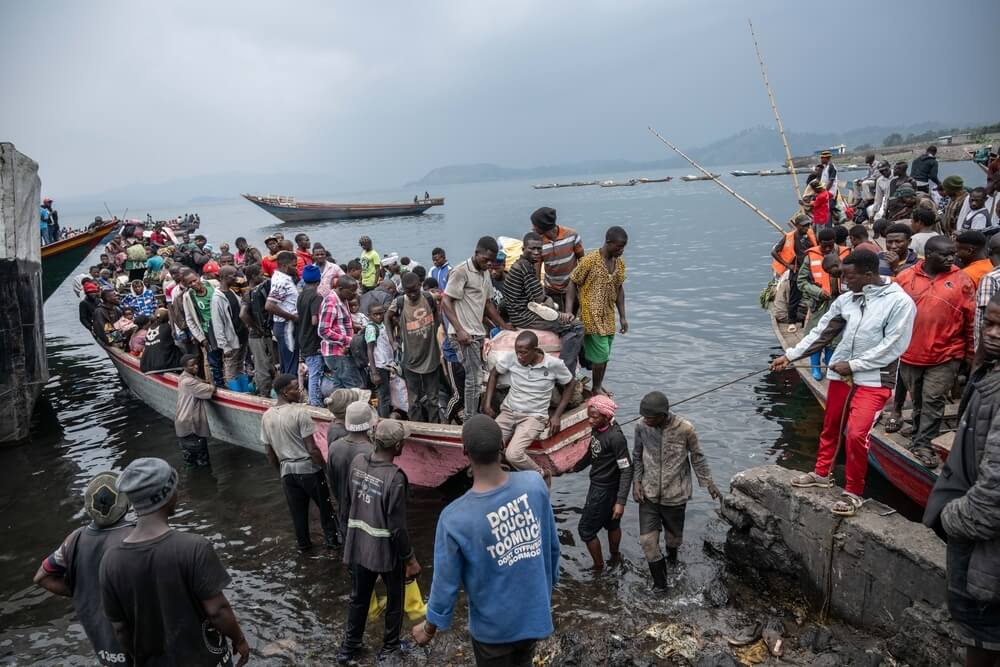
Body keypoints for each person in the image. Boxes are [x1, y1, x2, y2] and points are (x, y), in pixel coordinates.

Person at [771, 249, 916, 516]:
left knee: (858, 434)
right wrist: (790, 356)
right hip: (840, 375)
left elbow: (893, 346)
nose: (845, 282)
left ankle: (853, 492)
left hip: (874, 379)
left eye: (849, 276)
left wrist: (854, 365)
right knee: (831, 426)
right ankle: (822, 474)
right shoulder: (847, 300)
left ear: (869, 274)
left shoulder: (900, 303)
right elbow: (822, 333)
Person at [412, 415, 560, 667]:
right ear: (503, 446)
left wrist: (429, 628)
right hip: (534, 615)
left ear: (464, 452)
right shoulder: (534, 485)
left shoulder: (454, 517)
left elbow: (445, 583)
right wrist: (546, 587)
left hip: (493, 631)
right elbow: (551, 547)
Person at [99, 457, 249, 666]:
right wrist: (239, 639)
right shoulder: (194, 547)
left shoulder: (110, 562)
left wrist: (137, 657)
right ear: (167, 495)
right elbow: (218, 611)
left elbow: (120, 628)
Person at [923, 291, 1000, 667]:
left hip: (985, 552)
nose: (993, 333)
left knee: (983, 641)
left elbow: (992, 497)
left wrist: (949, 517)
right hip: (979, 544)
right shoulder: (989, 375)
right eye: (989, 323)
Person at [338, 419, 418, 663]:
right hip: (385, 550)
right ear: (398, 446)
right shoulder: (395, 478)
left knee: (359, 597)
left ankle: (348, 649)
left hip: (358, 543)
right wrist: (410, 559)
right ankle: (390, 647)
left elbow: (348, 502)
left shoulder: (358, 462)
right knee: (395, 598)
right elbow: (397, 527)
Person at [34, 472, 133, 667]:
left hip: (102, 641)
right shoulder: (135, 536)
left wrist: (81, 591)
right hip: (136, 638)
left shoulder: (74, 540)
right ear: (126, 502)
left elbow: (42, 577)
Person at [895, 236, 975, 467]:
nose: (951, 258)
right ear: (928, 255)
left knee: (933, 399)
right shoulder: (904, 278)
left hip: (946, 354)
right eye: (945, 255)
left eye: (953, 254)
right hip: (910, 353)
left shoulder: (962, 281)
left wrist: (969, 354)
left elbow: (970, 321)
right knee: (918, 399)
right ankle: (919, 432)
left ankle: (923, 444)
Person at [632, 390, 720, 589]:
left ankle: (672, 561)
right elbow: (637, 455)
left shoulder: (685, 429)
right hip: (649, 494)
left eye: (650, 418)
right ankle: (661, 588)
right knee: (648, 542)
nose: (646, 420)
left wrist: (708, 483)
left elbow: (698, 457)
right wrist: (636, 482)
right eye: (644, 416)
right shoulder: (641, 426)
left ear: (663, 415)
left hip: (675, 495)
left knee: (673, 540)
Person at [261, 373, 341, 550]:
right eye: (295, 388)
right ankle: (333, 545)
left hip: (287, 472)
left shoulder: (267, 416)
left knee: (298, 515)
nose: (299, 391)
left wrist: (281, 471)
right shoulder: (300, 412)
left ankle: (304, 548)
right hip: (309, 469)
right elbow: (312, 448)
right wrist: (326, 471)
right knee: (326, 510)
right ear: (284, 392)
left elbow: (269, 452)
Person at [483, 330, 574, 481]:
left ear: (535, 350)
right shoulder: (512, 358)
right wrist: (487, 404)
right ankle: (502, 476)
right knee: (488, 445)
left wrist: (557, 415)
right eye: (517, 352)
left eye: (524, 353)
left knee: (513, 454)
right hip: (509, 411)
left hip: (533, 417)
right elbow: (494, 374)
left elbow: (570, 384)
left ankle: (541, 474)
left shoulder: (553, 364)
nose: (519, 356)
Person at [441, 236, 511, 416]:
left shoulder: (485, 273)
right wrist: (459, 330)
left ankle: (476, 412)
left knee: (480, 376)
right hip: (464, 334)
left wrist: (504, 326)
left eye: (491, 261)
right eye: (485, 259)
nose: (488, 263)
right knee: (474, 378)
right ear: (476, 253)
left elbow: (487, 305)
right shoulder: (461, 271)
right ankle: (470, 420)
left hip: (478, 332)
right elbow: (446, 302)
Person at [503, 231, 585, 375]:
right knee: (577, 326)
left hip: (520, 313)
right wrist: (559, 313)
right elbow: (540, 298)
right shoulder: (525, 269)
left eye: (539, 249)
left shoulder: (519, 266)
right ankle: (566, 371)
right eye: (532, 249)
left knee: (566, 322)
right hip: (524, 316)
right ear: (523, 249)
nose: (536, 252)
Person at [566, 226, 629, 396]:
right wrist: (568, 311)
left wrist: (623, 316)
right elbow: (572, 282)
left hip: (608, 316)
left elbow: (619, 289)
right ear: (608, 243)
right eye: (619, 247)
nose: (621, 250)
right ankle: (595, 388)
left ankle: (598, 384)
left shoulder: (619, 263)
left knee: (605, 355)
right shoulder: (590, 260)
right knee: (601, 354)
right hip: (590, 315)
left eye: (624, 247)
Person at [572, 395, 632, 570]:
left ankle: (598, 568)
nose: (590, 420)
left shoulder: (616, 438)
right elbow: (593, 452)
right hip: (601, 486)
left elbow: (627, 469)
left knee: (585, 530)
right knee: (611, 523)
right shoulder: (598, 428)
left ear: (606, 416)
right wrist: (575, 468)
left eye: (594, 417)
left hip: (603, 490)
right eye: (589, 416)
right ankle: (615, 558)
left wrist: (620, 502)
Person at [386, 272, 441, 422]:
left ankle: (434, 427)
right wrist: (393, 341)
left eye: (414, 291)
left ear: (420, 286)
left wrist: (434, 330)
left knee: (433, 398)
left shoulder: (428, 298)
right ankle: (417, 427)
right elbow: (387, 317)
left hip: (431, 356)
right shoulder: (399, 302)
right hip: (410, 359)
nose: (411, 295)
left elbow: (437, 313)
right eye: (407, 291)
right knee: (413, 399)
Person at [327, 400, 376, 531]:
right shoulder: (371, 452)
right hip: (366, 517)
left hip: (344, 511)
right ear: (370, 424)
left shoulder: (334, 447)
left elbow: (332, 482)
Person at [530, 207, 585, 311]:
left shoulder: (572, 236)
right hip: (551, 291)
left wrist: (583, 287)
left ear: (544, 226)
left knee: (572, 318)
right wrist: (540, 297)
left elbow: (582, 261)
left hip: (573, 288)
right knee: (558, 322)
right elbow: (536, 273)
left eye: (535, 225)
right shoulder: (539, 243)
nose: (532, 228)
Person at [770, 215, 817, 329]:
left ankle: (809, 321)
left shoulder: (810, 235)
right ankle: (791, 322)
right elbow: (774, 252)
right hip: (796, 271)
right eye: (804, 226)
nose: (807, 227)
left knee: (812, 297)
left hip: (810, 271)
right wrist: (787, 265)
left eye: (808, 225)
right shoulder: (789, 237)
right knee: (794, 298)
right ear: (797, 226)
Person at [319, 274, 364, 389]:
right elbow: (323, 331)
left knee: (340, 387)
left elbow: (339, 323)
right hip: (337, 353)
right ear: (340, 289)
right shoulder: (331, 302)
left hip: (341, 352)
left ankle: (339, 407)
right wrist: (349, 340)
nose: (354, 294)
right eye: (351, 291)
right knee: (354, 387)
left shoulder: (343, 299)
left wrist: (354, 326)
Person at [182, 268, 224, 386]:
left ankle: (233, 382)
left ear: (199, 276)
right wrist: (201, 338)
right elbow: (189, 319)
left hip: (222, 326)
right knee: (214, 361)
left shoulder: (213, 285)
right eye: (190, 283)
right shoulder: (188, 296)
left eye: (195, 280)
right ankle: (220, 385)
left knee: (228, 356)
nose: (193, 284)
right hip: (207, 331)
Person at [174, 353, 216, 466]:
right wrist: (212, 382)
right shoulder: (189, 382)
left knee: (191, 462)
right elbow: (210, 389)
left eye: (196, 364)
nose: (196, 366)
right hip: (191, 426)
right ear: (185, 367)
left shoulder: (183, 377)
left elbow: (199, 381)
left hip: (183, 425)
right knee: (202, 461)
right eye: (192, 365)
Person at [240, 264, 275, 397]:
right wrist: (256, 328)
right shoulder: (250, 294)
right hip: (257, 336)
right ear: (254, 277)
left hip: (262, 334)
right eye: (261, 274)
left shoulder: (256, 291)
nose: (263, 277)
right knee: (262, 368)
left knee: (268, 365)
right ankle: (264, 394)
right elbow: (243, 314)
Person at [211, 266, 246, 390]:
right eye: (233, 275)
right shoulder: (217, 298)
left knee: (240, 365)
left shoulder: (231, 292)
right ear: (224, 277)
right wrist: (224, 345)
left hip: (241, 335)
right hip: (231, 339)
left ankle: (244, 389)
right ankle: (235, 392)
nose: (235, 278)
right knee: (230, 367)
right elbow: (217, 323)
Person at [265, 250, 300, 376]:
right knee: (291, 364)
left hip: (286, 326)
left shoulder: (284, 278)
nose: (296, 268)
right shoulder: (281, 282)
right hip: (286, 326)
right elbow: (269, 305)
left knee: (287, 362)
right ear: (285, 266)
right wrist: (293, 317)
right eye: (294, 265)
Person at [296, 264, 326, 406]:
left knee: (312, 371)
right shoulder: (316, 297)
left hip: (302, 336)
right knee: (315, 373)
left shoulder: (301, 295)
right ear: (318, 281)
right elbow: (315, 320)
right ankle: (315, 403)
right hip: (313, 340)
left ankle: (314, 399)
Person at [365, 304, 395, 417]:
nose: (378, 316)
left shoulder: (383, 325)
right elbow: (370, 350)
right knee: (383, 396)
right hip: (378, 366)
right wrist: (374, 372)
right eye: (375, 314)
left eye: (381, 313)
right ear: (369, 316)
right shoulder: (371, 328)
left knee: (386, 394)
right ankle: (383, 421)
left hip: (386, 365)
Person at [974, 234, 1000, 352]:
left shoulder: (991, 279)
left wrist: (979, 356)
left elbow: (985, 319)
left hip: (991, 349)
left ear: (989, 252)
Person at [140, 308, 183, 373]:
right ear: (168, 318)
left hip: (148, 364)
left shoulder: (150, 327)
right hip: (163, 364)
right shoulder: (168, 327)